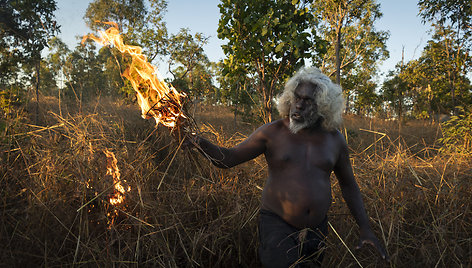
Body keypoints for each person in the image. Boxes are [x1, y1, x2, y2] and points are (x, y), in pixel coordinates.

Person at [184, 67, 388, 267]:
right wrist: (200, 143)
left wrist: (365, 228)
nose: (298, 105)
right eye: (296, 98)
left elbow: (349, 186)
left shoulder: (335, 140)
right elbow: (228, 158)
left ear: (323, 106)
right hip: (277, 226)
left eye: (307, 101)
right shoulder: (272, 132)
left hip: (316, 231)